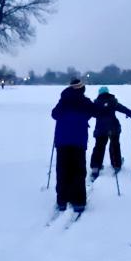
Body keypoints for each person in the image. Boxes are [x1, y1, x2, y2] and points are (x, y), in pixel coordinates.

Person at [51, 79, 97, 213]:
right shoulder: (85, 101)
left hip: (62, 141)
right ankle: (78, 201)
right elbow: (95, 112)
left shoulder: (63, 100)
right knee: (78, 170)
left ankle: (62, 201)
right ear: (82, 89)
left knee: (62, 170)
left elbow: (54, 114)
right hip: (78, 140)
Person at [90, 85, 131, 178]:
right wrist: (130, 113)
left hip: (100, 129)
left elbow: (91, 114)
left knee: (99, 147)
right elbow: (122, 108)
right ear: (108, 92)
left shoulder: (96, 103)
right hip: (113, 128)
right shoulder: (113, 101)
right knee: (114, 145)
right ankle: (116, 164)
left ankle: (95, 166)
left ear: (99, 94)